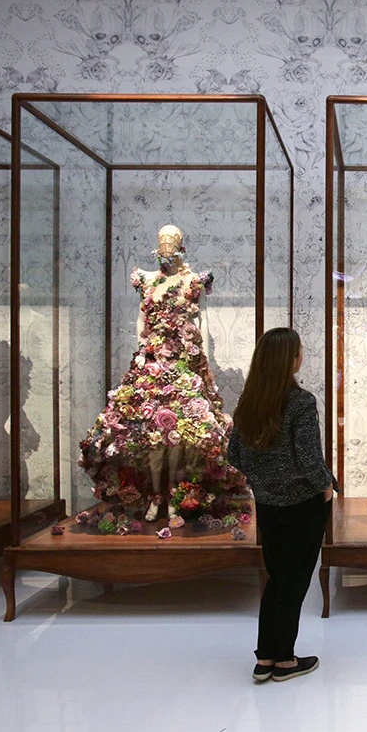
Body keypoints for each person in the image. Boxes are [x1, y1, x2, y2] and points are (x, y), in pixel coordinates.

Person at [78, 225, 247, 525]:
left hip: (183, 365)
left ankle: (175, 494)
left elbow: (203, 320)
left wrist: (204, 360)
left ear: (180, 245)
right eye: (162, 241)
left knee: (179, 434)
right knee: (150, 436)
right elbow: (141, 319)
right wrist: (141, 355)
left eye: (172, 241)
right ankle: (155, 495)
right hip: (151, 365)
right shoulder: (147, 280)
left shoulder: (192, 281)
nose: (166, 246)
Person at [228, 327, 334, 682]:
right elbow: (309, 459)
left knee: (278, 579)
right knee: (294, 581)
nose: (301, 356)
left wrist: (263, 478)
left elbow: (234, 455)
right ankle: (284, 660)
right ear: (290, 360)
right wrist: (326, 487)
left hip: (268, 504)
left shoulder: (249, 402)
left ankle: (265, 658)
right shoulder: (300, 402)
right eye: (298, 351)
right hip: (303, 503)